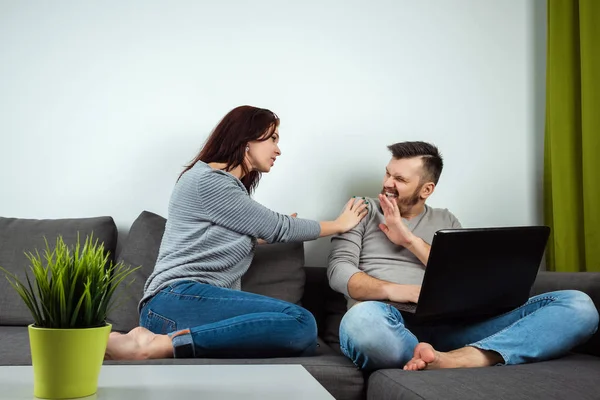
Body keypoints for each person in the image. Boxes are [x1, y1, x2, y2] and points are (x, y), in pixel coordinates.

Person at [105, 105, 368, 360]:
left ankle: (160, 341)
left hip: (177, 305)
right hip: (175, 300)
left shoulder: (216, 184)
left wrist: (258, 234)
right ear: (246, 139)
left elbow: (226, 235)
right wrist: (340, 224)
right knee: (301, 322)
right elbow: (280, 227)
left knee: (302, 333)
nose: (278, 149)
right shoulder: (209, 180)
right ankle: (158, 346)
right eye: (272, 138)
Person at [328, 141, 599, 371]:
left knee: (578, 305)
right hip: (388, 320)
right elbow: (339, 273)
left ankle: (461, 358)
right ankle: (429, 356)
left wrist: (408, 239)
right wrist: (404, 292)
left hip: (454, 327)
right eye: (388, 173)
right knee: (360, 323)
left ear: (426, 189)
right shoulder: (361, 209)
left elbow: (463, 278)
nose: (387, 183)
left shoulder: (446, 220)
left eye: (400, 179)